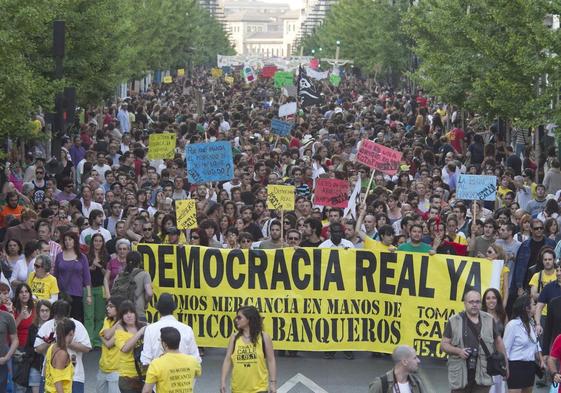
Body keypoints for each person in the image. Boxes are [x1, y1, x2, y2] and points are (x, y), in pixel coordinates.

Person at [441, 289, 507, 393]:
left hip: (483, 374)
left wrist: (505, 366)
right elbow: (444, 345)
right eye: (471, 302)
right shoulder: (454, 321)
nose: (474, 304)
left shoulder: (489, 319)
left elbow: (499, 343)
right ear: (465, 303)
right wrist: (459, 351)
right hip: (460, 375)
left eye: (477, 302)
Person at [34, 300, 92, 393]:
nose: (60, 321)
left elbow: (87, 348)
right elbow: (37, 349)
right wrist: (49, 342)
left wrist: (66, 342)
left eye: (62, 317)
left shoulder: (77, 325)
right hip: (49, 378)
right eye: (57, 318)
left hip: (74, 376)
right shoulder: (47, 326)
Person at [220, 306, 276, 393]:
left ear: (249, 319)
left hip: (259, 389)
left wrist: (273, 383)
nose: (236, 320)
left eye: (239, 317)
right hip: (238, 389)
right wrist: (223, 381)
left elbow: (271, 360)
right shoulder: (234, 338)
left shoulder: (264, 337)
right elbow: (228, 360)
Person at [140, 293, 201, 365]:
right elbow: (196, 360)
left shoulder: (150, 329)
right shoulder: (187, 329)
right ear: (173, 310)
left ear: (158, 311)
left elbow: (146, 361)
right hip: (183, 373)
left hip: (159, 373)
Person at [142, 327, 202, 393]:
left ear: (164, 344)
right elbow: (197, 374)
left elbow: (147, 391)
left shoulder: (156, 364)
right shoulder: (193, 361)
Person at [503, 295, 544, 392]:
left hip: (530, 366)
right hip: (515, 366)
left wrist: (541, 360)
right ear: (527, 308)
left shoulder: (531, 323)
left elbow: (535, 344)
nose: (535, 306)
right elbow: (505, 349)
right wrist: (505, 368)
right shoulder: (513, 325)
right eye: (533, 304)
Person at [54, 231, 92, 322]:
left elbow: (87, 277)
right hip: (62, 293)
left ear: (75, 241)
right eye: (65, 240)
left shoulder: (82, 257)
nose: (67, 242)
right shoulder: (59, 256)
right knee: (61, 319)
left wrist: (89, 295)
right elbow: (55, 275)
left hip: (77, 293)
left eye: (70, 239)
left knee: (75, 320)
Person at [115, 300, 146, 393]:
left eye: (131, 312)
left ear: (135, 313)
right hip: (127, 378)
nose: (129, 315)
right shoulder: (120, 330)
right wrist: (140, 332)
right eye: (125, 313)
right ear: (121, 317)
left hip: (144, 375)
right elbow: (125, 348)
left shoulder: (144, 326)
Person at [481, 288, 508, 393]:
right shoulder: (479, 315)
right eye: (488, 298)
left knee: (498, 387)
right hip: (483, 356)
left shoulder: (503, 315)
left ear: (498, 300)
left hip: (498, 357)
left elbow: (507, 335)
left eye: (493, 298)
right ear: (484, 301)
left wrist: (505, 359)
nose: (491, 300)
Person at [97, 296, 124, 393]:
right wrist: (119, 322)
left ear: (119, 308)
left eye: (111, 306)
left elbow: (107, 342)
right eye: (107, 306)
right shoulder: (107, 320)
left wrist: (101, 337)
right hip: (103, 367)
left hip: (116, 369)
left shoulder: (124, 327)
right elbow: (107, 335)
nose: (107, 308)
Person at [43, 318, 75, 393]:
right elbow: (58, 382)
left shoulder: (52, 347)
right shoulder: (62, 354)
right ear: (71, 333)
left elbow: (45, 370)